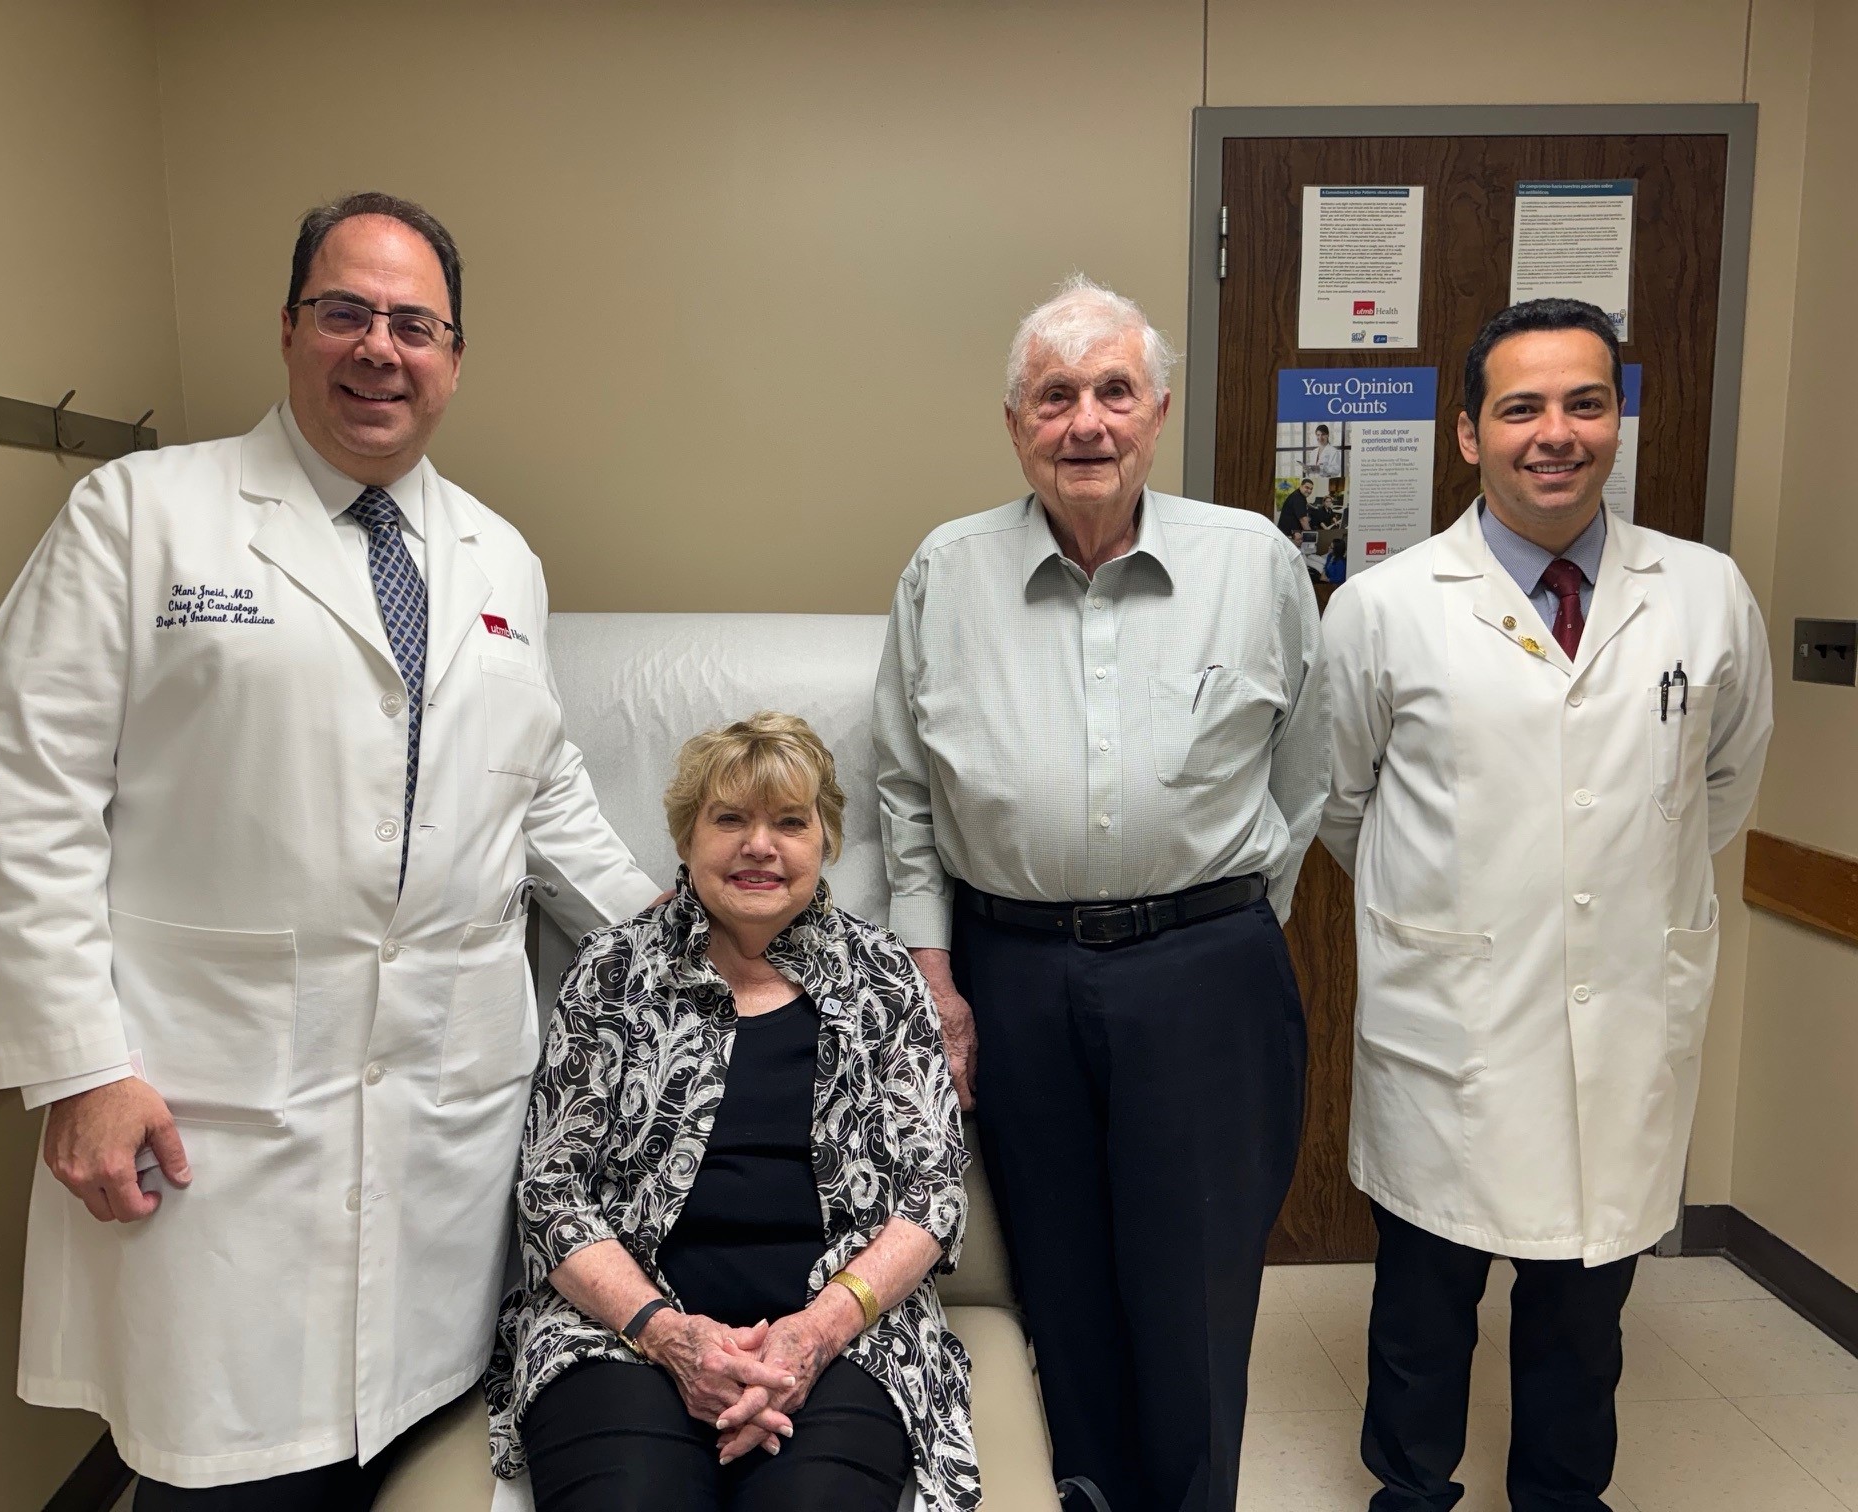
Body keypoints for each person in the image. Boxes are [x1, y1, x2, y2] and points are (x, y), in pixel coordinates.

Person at [0, 191, 658, 1509]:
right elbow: (20, 797)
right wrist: (78, 1068)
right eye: (346, 312)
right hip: (213, 1116)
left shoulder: (499, 556)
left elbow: (536, 775)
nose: (379, 347)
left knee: (411, 1453)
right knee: (227, 1475)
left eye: (414, 324)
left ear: (453, 357)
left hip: (445, 1120)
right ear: (288, 330)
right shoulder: (140, 516)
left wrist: (674, 940)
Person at [873, 275, 1327, 1512]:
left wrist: (1224, 930)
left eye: (1114, 391)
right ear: (1015, 423)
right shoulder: (946, 572)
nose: (1088, 422)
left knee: (1192, 1292)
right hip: (1011, 969)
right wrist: (936, 973)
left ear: (1159, 409)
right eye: (1055, 396)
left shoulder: (1255, 563)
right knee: (1057, 1283)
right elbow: (904, 792)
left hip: (1205, 970)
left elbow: (1311, 771)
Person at [1317, 297, 1773, 1512]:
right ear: (1470, 434)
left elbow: (1722, 785)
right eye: (1520, 407)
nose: (1553, 433)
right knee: (1423, 1311)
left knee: (1586, 1319)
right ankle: (1411, 1493)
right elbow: (1342, 801)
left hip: (1623, 1016)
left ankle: (1563, 1499)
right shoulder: (1384, 607)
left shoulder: (1707, 595)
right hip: (1451, 1025)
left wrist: (1605, 896)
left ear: (1619, 419)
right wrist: (1466, 902)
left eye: (1585, 402)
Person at [487, 712, 977, 1512]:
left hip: (846, 1338)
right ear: (685, 838)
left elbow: (934, 1195)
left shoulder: (882, 977)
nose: (760, 846)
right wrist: (666, 1335)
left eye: (789, 821)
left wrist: (813, 1336)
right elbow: (551, 1193)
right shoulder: (612, 973)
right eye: (730, 820)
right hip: (621, 1339)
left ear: (825, 843)